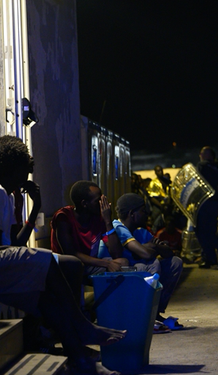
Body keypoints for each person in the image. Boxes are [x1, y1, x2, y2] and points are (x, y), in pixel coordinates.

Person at [0, 135, 126, 375]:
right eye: (24, 172)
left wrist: (34, 207)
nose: (26, 179)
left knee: (57, 283)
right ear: (11, 169)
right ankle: (82, 325)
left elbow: (15, 244)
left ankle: (79, 356)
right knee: (50, 259)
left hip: (4, 263)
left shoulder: (6, 197)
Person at [98, 193, 184, 328]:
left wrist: (154, 247)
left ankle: (154, 312)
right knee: (149, 264)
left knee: (175, 263)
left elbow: (168, 252)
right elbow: (146, 253)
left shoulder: (140, 232)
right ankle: (143, 315)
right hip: (111, 275)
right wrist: (148, 250)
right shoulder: (117, 226)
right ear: (132, 213)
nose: (147, 214)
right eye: (143, 211)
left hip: (132, 274)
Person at [51, 181, 129, 285]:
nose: (103, 204)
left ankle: (114, 300)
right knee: (75, 265)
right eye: (98, 201)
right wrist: (106, 263)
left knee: (123, 263)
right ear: (84, 204)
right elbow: (70, 253)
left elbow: (116, 253)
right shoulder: (63, 217)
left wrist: (107, 221)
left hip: (88, 264)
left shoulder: (97, 217)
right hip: (67, 266)